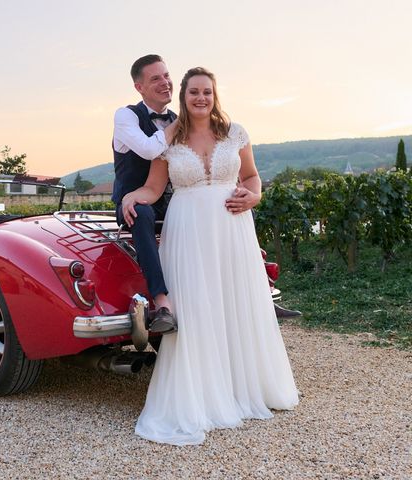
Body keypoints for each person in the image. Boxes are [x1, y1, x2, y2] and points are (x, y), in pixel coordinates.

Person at [122, 67, 299, 445]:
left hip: (232, 229)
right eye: (193, 93)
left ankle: (243, 387)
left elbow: (252, 178)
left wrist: (254, 195)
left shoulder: (235, 133)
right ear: (183, 98)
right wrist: (131, 197)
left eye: (207, 92)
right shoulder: (168, 140)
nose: (200, 98)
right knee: (198, 308)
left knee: (235, 303)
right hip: (187, 232)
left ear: (215, 95)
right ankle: (202, 395)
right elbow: (154, 189)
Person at [112, 54, 178, 334]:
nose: (165, 83)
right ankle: (162, 302)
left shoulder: (177, 118)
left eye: (166, 75)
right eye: (155, 79)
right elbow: (150, 150)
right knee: (142, 212)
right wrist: (180, 124)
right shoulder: (126, 115)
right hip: (133, 201)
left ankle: (252, 292)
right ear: (139, 87)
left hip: (174, 199)